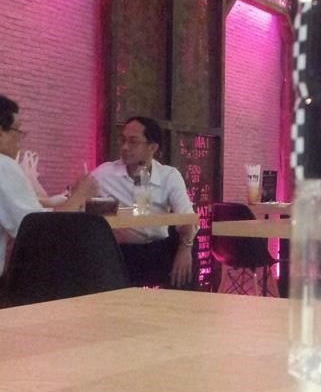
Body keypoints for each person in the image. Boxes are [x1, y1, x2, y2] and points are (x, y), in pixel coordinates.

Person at [91, 116, 199, 288]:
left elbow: (187, 218)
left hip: (158, 249)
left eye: (133, 142)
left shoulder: (168, 175)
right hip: (120, 252)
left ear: (152, 147)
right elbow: (73, 200)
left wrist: (185, 248)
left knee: (188, 256)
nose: (125, 147)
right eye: (123, 140)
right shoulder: (105, 173)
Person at [0, 94, 97, 276]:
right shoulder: (3, 165)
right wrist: (80, 195)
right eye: (17, 130)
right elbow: (40, 231)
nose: (20, 139)